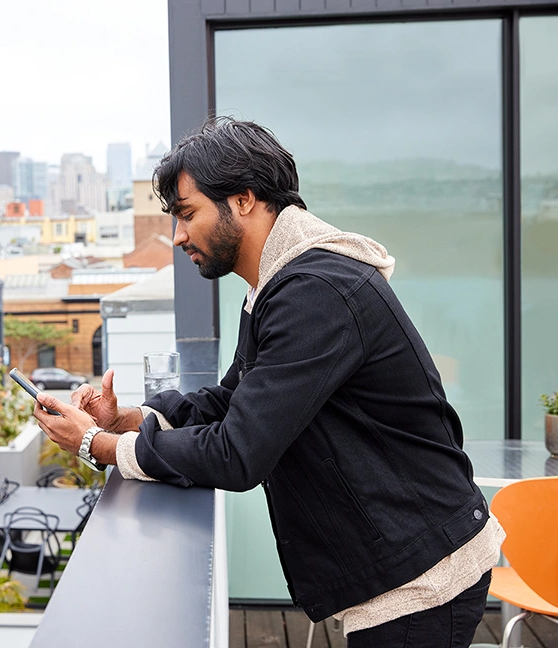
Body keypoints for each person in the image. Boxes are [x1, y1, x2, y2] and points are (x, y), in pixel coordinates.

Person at [32, 117, 505, 647]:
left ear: (243, 199)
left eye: (187, 214)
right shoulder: (279, 285)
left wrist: (98, 445)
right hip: (403, 557)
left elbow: (238, 453)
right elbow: (232, 400)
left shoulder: (315, 292)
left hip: (423, 576)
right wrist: (126, 419)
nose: (178, 236)